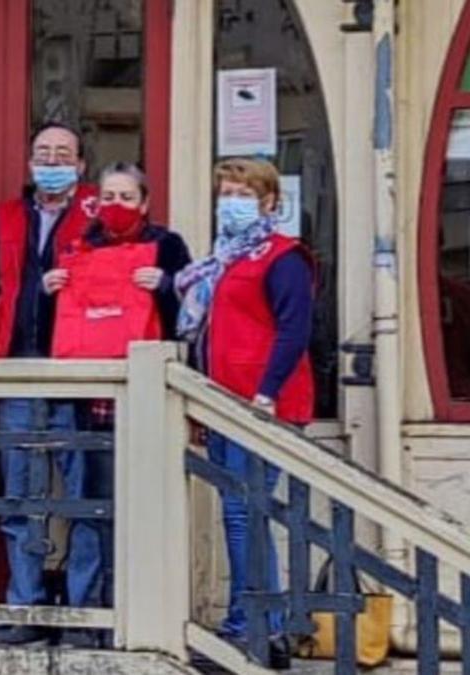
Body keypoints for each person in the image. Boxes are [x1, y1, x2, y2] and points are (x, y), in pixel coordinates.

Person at [40, 162, 191, 645]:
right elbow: (54, 329)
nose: (116, 205)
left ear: (146, 202)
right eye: (108, 195)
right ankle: (89, 615)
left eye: (127, 196)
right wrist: (48, 293)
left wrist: (166, 287)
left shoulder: (168, 246)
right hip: (86, 398)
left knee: (133, 513)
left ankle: (130, 615)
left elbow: (191, 316)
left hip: (141, 402)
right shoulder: (78, 245)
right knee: (87, 509)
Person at [175, 157, 313, 667]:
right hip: (222, 400)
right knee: (240, 511)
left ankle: (256, 626)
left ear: (270, 201)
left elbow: (295, 330)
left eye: (242, 193)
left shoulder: (283, 257)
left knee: (242, 512)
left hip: (260, 405)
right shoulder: (222, 259)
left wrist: (268, 391)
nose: (230, 201)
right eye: (226, 193)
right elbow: (209, 332)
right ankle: (254, 624)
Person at [0, 122, 98, 646]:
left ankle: (86, 615)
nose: (52, 161)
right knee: (20, 500)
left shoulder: (97, 215)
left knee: (87, 503)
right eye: (43, 152)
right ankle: (26, 607)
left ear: (81, 165)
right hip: (16, 373)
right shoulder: (7, 218)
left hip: (80, 377)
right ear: (28, 162)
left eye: (63, 154)